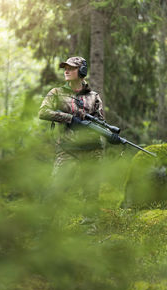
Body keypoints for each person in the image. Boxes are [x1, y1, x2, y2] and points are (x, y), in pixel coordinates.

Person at [39, 56, 105, 204]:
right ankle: (44, 226)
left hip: (92, 150)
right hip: (67, 149)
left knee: (91, 192)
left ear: (81, 71)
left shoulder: (93, 97)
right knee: (56, 191)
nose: (66, 71)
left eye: (71, 68)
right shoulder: (56, 93)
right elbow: (43, 112)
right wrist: (70, 119)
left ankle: (91, 226)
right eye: (65, 68)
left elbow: (101, 122)